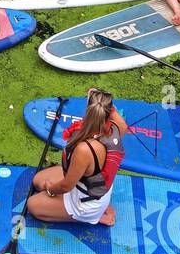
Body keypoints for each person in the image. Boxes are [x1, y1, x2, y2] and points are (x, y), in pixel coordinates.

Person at [28, 88, 128, 228]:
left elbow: (66, 186)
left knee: (33, 205)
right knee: (37, 180)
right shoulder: (118, 127)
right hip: (94, 187)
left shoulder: (84, 150)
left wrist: (50, 189)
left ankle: (92, 217)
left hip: (85, 203)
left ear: (88, 112)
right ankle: (99, 208)